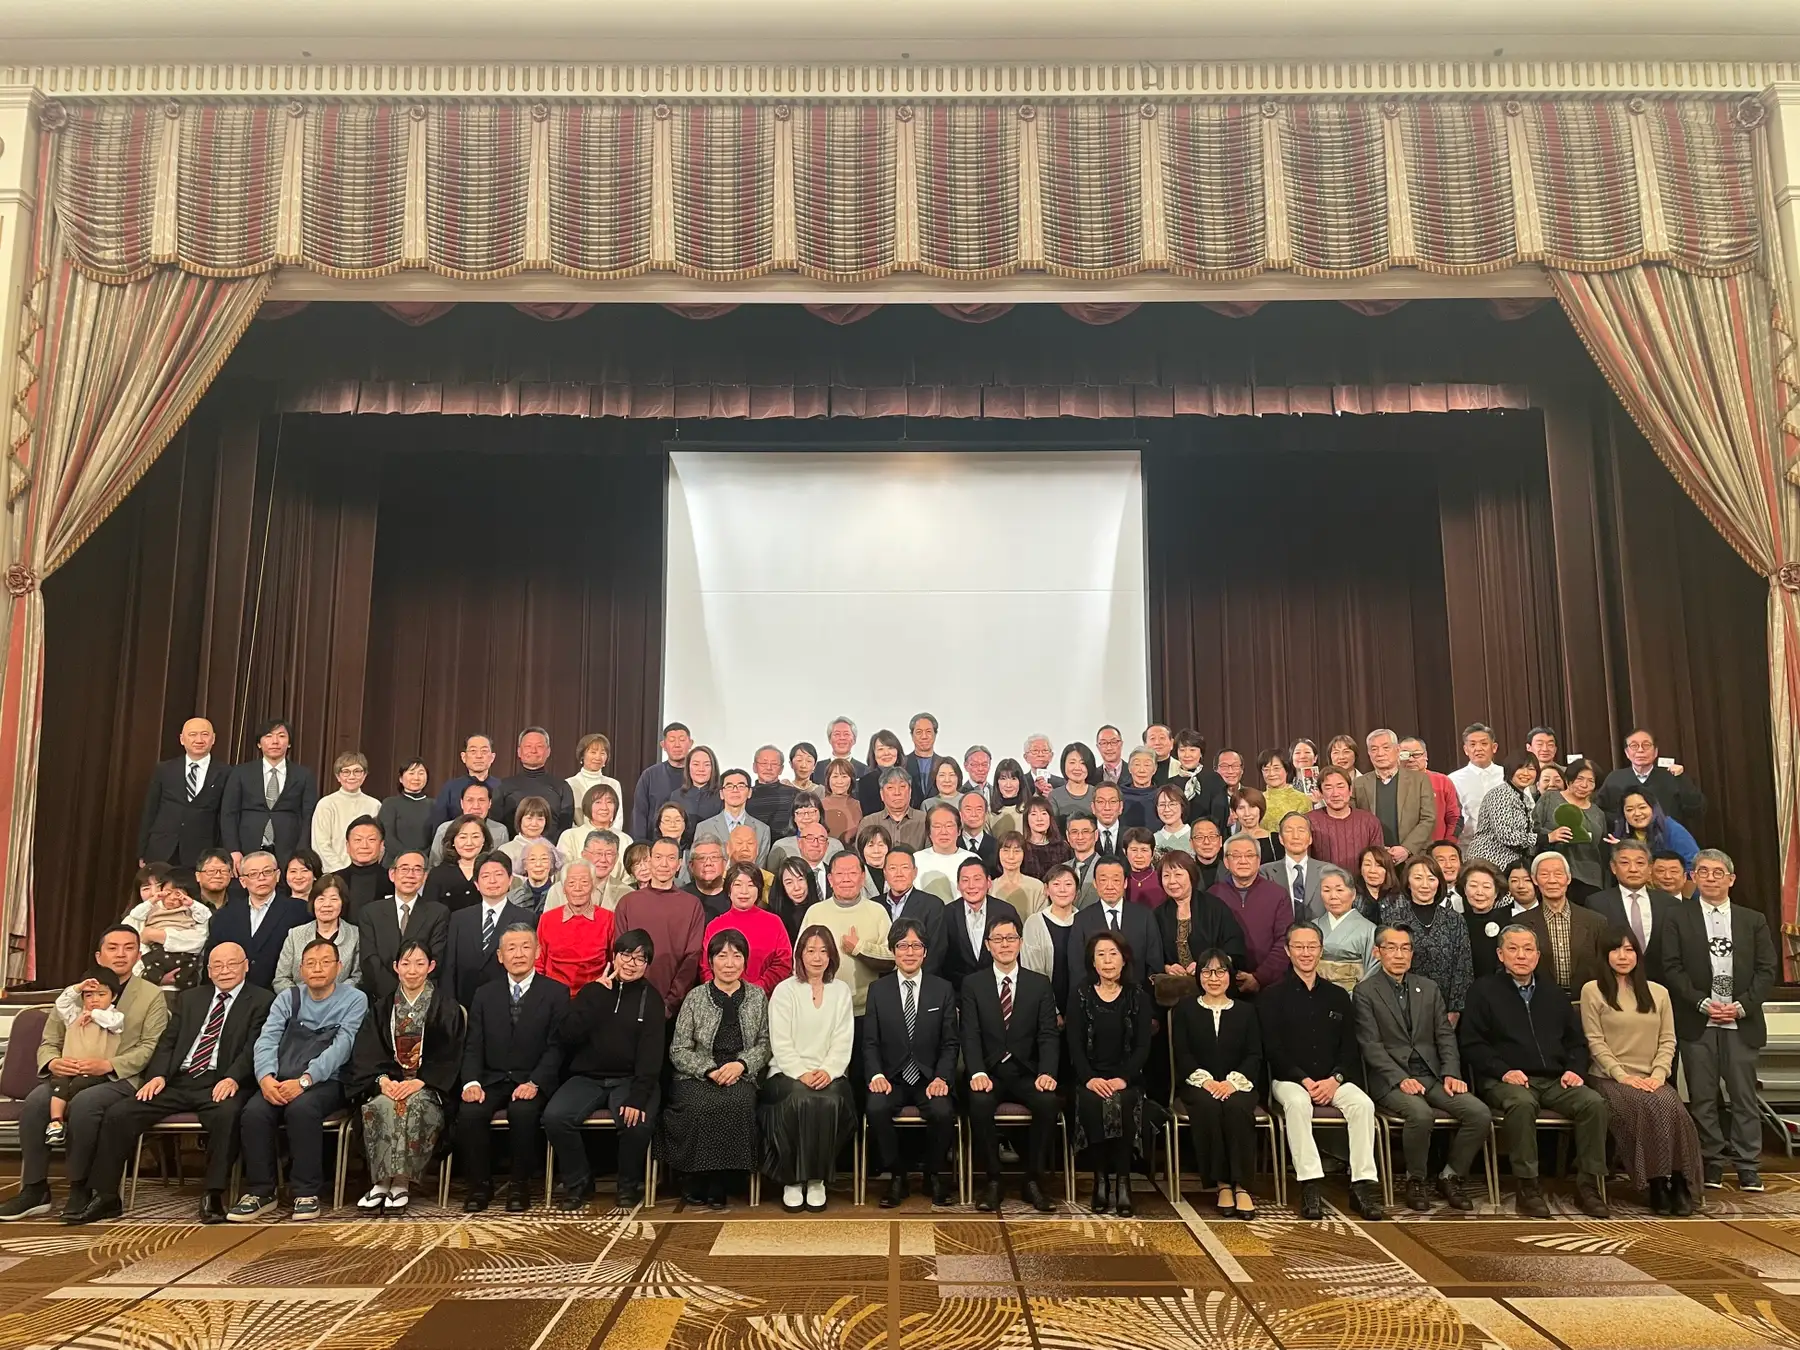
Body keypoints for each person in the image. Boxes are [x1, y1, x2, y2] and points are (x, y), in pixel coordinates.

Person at [72, 943, 274, 1225]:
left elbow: (255, 1046)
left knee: (227, 1114)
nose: (224, 971)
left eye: (232, 964)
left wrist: (233, 1077)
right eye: (217, 965)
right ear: (208, 970)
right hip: (179, 1079)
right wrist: (158, 1075)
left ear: (246, 966)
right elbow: (168, 1041)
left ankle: (213, 1194)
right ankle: (106, 1196)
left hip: (222, 1080)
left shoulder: (263, 1000)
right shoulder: (191, 998)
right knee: (120, 1113)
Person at [1458, 925, 1610, 1219]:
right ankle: (1527, 1186)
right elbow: (1472, 1044)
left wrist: (1575, 1070)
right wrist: (1504, 1071)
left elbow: (1577, 1042)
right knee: (1522, 1103)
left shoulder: (1553, 994)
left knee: (1593, 1103)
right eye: (1513, 949)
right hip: (1504, 1079)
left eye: (1528, 949)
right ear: (1500, 954)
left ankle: (1588, 1185)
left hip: (1555, 1079)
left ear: (1538, 956)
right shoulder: (1483, 991)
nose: (1521, 956)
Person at [1661, 848, 1777, 1193]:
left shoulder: (1752, 919)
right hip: (1698, 1020)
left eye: (1717, 872)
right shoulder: (1677, 917)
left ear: (1731, 879)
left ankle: (1747, 1165)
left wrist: (1742, 1006)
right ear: (1693, 877)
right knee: (1702, 1097)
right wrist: (1700, 1003)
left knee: (1743, 1097)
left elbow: (1766, 969)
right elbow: (1671, 967)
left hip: (1741, 1021)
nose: (1710, 878)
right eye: (1703, 871)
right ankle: (1710, 1160)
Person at [229, 937, 369, 1222]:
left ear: (339, 966)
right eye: (310, 963)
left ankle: (306, 1192)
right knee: (254, 1112)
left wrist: (306, 1080)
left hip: (329, 1081)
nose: (317, 968)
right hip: (281, 1078)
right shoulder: (287, 998)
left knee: (302, 1109)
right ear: (301, 969)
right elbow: (266, 1039)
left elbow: (342, 1047)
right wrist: (265, 1078)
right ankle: (261, 1192)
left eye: (325, 962)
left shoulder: (355, 999)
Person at [1353, 924, 1490, 1212]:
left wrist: (1451, 1072)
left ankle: (1450, 1176)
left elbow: (1445, 1035)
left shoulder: (1428, 988)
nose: (1399, 955)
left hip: (1431, 1075)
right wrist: (1400, 1078)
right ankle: (1415, 1180)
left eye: (1405, 948)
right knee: (1420, 1114)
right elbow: (1370, 1045)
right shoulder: (1365, 991)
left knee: (1478, 1113)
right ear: (1377, 952)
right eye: (1391, 948)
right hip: (1390, 1078)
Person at [1260, 922, 1384, 1220]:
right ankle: (1310, 1183)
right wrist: (1303, 1079)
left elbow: (1350, 1047)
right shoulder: (1271, 996)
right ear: (1288, 951)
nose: (1306, 953)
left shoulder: (1338, 996)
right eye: (1299, 947)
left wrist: (1335, 1079)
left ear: (1320, 950)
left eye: (1312, 946)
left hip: (1333, 1079)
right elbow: (1272, 1048)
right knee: (1297, 1103)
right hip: (1289, 1079)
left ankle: (1361, 1185)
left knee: (1363, 1104)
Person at [1580, 927, 1704, 1215]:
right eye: (1615, 950)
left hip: (1652, 1077)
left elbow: (1668, 1039)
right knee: (1646, 1107)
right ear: (1604, 955)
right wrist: (1622, 1076)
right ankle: (1656, 1183)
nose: (1623, 956)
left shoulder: (1658, 992)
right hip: (1609, 1078)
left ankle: (1680, 1182)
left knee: (1674, 1108)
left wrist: (1659, 1075)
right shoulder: (1592, 990)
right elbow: (1594, 1041)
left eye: (1629, 949)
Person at [547, 928, 666, 1209]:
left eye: (640, 958)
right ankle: (579, 1183)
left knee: (637, 1122)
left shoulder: (652, 999)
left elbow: (651, 1055)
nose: (631, 963)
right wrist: (598, 997)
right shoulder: (593, 991)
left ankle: (627, 1185)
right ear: (614, 957)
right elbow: (566, 1034)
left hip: (630, 1079)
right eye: (626, 955)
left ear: (647, 965)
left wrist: (638, 1096)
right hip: (587, 1077)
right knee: (555, 1117)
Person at [457, 924, 567, 1212]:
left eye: (525, 947)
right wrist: (471, 1083)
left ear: (538, 952)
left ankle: (520, 1186)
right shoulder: (484, 994)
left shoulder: (556, 992)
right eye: (511, 948)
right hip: (492, 1079)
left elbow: (557, 1047)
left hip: (532, 1079)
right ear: (500, 956)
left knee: (523, 1112)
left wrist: (535, 1082)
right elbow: (473, 1045)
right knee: (470, 1112)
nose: (519, 954)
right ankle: (480, 1186)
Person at [660, 928, 771, 1211]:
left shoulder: (757, 997)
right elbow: (679, 1049)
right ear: (710, 961)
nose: (729, 963)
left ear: (745, 961)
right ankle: (696, 1176)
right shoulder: (695, 997)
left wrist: (741, 1065)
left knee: (739, 1103)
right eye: (722, 956)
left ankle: (723, 1181)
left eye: (736, 956)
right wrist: (709, 1069)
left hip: (740, 1072)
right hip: (698, 1074)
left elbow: (765, 1044)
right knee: (700, 1105)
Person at [348, 940, 463, 1212]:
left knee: (412, 1106)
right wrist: (382, 1081)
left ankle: (401, 1181)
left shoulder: (446, 1007)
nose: (412, 970)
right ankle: (380, 1182)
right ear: (395, 967)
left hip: (427, 1086)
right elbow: (367, 1052)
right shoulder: (382, 1008)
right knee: (379, 1105)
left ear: (431, 966)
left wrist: (421, 1081)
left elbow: (451, 1054)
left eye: (420, 963)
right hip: (390, 1083)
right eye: (406, 964)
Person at [960, 915, 1060, 1213]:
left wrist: (1047, 1072)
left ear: (1020, 942)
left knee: (1048, 1102)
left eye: (1011, 938)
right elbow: (970, 1033)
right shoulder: (973, 984)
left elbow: (1048, 1034)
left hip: (1027, 1072)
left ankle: (1033, 1180)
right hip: (989, 1072)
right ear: (988, 945)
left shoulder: (1039, 984)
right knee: (978, 1102)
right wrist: (977, 1071)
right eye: (998, 939)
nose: (1005, 944)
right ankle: (993, 1180)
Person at [863, 917, 959, 1207]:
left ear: (925, 952)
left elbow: (950, 1043)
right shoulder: (878, 990)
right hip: (891, 1078)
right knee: (875, 1107)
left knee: (943, 1111)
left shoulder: (942, 989)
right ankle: (897, 1176)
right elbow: (870, 1042)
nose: (909, 952)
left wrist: (942, 1077)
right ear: (893, 951)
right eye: (903, 946)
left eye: (916, 946)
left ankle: (933, 1174)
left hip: (929, 1079)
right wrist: (876, 1075)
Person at [763, 926, 858, 1212]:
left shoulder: (841, 991)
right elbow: (780, 1041)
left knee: (829, 1101)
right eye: (811, 950)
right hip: (786, 1073)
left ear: (832, 956)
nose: (817, 958)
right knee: (800, 1098)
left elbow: (843, 1039)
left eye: (824, 951)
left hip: (831, 1073)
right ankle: (792, 1180)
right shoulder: (785, 991)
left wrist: (828, 1070)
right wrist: (801, 1072)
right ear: (800, 954)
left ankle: (816, 1180)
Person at [1067, 931, 1155, 1216]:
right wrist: (1089, 1078)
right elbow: (1074, 1044)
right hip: (1090, 1077)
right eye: (1101, 955)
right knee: (1093, 1102)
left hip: (1126, 1078)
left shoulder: (1138, 996)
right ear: (1092, 962)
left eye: (1113, 954)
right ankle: (1100, 1179)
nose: (1107, 961)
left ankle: (1123, 1181)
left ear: (1124, 959)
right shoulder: (1080, 994)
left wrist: (1123, 1078)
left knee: (1123, 1101)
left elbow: (1143, 1046)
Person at [1172, 948, 1262, 1219]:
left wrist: (1232, 1083)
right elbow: (1182, 1053)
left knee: (1236, 1108)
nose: (1214, 978)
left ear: (1230, 976)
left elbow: (1254, 1054)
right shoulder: (1185, 1009)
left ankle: (1241, 1186)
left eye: (1220, 971)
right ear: (1199, 976)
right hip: (1198, 1084)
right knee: (1209, 1107)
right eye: (1207, 972)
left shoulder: (1246, 1011)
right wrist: (1207, 1082)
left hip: (1238, 1084)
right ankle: (1222, 1184)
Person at [612, 838, 707, 1020]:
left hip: (674, 1006)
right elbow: (620, 953)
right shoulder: (628, 902)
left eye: (671, 858)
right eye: (658, 857)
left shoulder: (692, 905)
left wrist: (671, 1002)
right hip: (630, 1000)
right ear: (649, 861)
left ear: (679, 864)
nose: (664, 864)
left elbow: (692, 957)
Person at [1379, 853, 1473, 1018]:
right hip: (1403, 1007)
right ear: (1408, 883)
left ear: (1439, 883)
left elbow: (1463, 967)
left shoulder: (1454, 919)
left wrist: (1455, 1011)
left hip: (1445, 1008)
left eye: (1431, 879)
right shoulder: (1393, 919)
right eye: (1418, 878)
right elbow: (1387, 965)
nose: (1425, 885)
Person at [220, 718, 319, 869]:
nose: (275, 741)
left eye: (281, 736)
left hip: (289, 851)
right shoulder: (240, 772)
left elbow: (308, 816)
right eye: (268, 736)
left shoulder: (304, 775)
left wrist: (301, 852)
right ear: (259, 743)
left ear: (289, 743)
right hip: (247, 848)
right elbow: (229, 813)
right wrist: (233, 849)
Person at [1153, 852, 1247, 1009]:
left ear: (1191, 876)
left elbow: (1235, 947)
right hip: (1173, 994)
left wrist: (1206, 965)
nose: (1172, 881)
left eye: (1178, 875)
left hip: (1213, 986)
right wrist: (1166, 967)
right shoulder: (1158, 914)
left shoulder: (1214, 907)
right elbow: (1153, 953)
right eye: (1166, 876)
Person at [44, 966, 126, 1145]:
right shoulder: (74, 1015)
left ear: (113, 996)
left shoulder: (115, 1017)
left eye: (101, 994)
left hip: (95, 1071)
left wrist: (93, 1014)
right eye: (89, 995)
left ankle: (69, 1122)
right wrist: (78, 988)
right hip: (71, 1067)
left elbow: (111, 1022)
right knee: (59, 1085)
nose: (95, 999)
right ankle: (56, 1122)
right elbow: (61, 1003)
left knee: (79, 1087)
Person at [204, 850, 309, 991]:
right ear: (242, 881)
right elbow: (211, 962)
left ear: (278, 875)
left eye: (267, 872)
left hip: (281, 994)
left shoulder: (300, 911)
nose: (261, 878)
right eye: (253, 874)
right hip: (235, 994)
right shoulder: (223, 916)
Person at [441, 853, 536, 1008]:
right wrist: (450, 1006)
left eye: (498, 874)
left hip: (509, 1003)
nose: (492, 881)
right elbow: (449, 967)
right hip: (465, 1003)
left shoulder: (526, 918)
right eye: (485, 876)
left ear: (510, 880)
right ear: (476, 884)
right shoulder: (459, 919)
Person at [357, 852, 449, 1000]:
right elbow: (369, 960)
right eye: (404, 869)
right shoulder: (370, 912)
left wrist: (412, 992)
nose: (410, 875)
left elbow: (436, 958)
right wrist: (395, 995)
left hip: (422, 996)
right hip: (381, 997)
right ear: (392, 874)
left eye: (417, 869)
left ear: (425, 876)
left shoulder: (438, 912)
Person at [137, 716, 226, 870]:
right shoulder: (164, 769)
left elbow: (225, 818)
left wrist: (220, 855)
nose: (199, 740)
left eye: (204, 734)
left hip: (201, 853)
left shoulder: (226, 772)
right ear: (182, 739)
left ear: (213, 739)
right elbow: (150, 811)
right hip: (161, 849)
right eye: (192, 734)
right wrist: (142, 851)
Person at [1208, 835, 1290, 996]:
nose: (1243, 861)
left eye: (1249, 855)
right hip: (1221, 985)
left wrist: (1259, 977)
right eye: (1236, 856)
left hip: (1270, 987)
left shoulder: (1278, 894)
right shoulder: (1213, 895)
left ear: (1258, 861)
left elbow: (1285, 941)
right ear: (1226, 862)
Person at [1516, 852, 1609, 995]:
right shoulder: (1521, 923)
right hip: (1540, 999)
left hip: (1587, 999)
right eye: (1544, 875)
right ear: (1534, 879)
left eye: (1558, 874)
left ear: (1569, 878)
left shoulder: (1595, 922)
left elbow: (1606, 967)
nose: (1552, 880)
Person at [1586, 839, 1681, 977]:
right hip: (1614, 981)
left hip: (1662, 982)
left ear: (1650, 868)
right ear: (1613, 867)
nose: (1633, 869)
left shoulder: (1669, 904)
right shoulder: (1597, 903)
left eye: (1640, 863)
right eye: (1625, 863)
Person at [701, 862, 793, 994]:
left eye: (751, 885)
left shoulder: (774, 922)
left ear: (759, 889)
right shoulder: (715, 926)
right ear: (728, 889)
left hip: (764, 997)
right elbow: (705, 966)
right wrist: (720, 992)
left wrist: (755, 991)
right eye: (738, 884)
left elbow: (783, 963)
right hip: (720, 997)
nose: (744, 891)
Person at [1071, 858, 1164, 987]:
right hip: (1095, 995)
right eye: (1103, 880)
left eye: (1116, 880)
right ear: (1095, 884)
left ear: (1125, 883)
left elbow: (1155, 964)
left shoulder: (1144, 916)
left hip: (1139, 994)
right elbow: (1077, 968)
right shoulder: (1082, 919)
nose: (1110, 886)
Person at [940, 857, 1023, 993]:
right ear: (958, 885)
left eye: (977, 879)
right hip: (958, 993)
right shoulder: (946, 913)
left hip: (998, 991)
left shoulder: (1006, 911)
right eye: (965, 880)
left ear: (989, 882)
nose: (971, 886)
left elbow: (1018, 953)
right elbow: (941, 958)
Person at [1352, 729, 1434, 864]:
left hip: (1413, 858)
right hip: (1375, 859)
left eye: (1386, 748)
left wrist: (1406, 848)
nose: (1380, 753)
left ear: (1397, 750)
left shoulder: (1419, 780)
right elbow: (1354, 821)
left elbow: (1428, 818)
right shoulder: (1359, 783)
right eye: (1374, 749)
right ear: (1369, 753)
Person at [123, 866, 212, 990]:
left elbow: (198, 941)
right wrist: (152, 902)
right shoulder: (148, 911)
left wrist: (157, 935)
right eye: (146, 888)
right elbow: (131, 947)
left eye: (177, 893)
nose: (153, 892)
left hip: (183, 969)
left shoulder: (190, 911)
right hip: (147, 978)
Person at [1598, 727, 1704, 829]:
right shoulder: (1615, 779)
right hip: (1628, 838)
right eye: (1634, 746)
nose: (1640, 750)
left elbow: (1698, 808)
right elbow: (1600, 812)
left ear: (1655, 752)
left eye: (1646, 745)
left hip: (1667, 837)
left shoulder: (1672, 776)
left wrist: (1681, 778)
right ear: (1627, 753)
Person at [1533, 757, 1607, 902]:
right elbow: (1532, 830)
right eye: (1580, 779)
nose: (1584, 785)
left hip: (1589, 878)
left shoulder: (1598, 813)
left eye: (1590, 781)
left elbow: (1601, 850)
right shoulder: (1550, 799)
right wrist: (1551, 835)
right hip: (1552, 874)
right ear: (1569, 780)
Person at [273, 874, 362, 992]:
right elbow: (281, 979)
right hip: (299, 1001)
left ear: (343, 903)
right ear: (313, 902)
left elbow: (357, 978)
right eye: (321, 899)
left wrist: (333, 996)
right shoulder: (295, 934)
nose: (327, 904)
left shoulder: (355, 935)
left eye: (334, 899)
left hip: (341, 1000)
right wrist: (302, 998)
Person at [536, 860, 615, 990]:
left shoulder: (608, 919)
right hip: (554, 993)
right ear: (563, 888)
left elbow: (614, 961)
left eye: (584, 882)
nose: (578, 888)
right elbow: (538, 962)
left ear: (593, 886)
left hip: (594, 993)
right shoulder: (547, 919)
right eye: (571, 883)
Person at [1021, 864, 1082, 1017]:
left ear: (1076, 892)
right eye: (1056, 884)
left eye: (1068, 884)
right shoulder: (1034, 923)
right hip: (1045, 1008)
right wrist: (1052, 1011)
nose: (1062, 890)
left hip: (1081, 1008)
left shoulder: (1086, 921)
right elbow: (1032, 973)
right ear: (1046, 890)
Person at [1462, 755, 1542, 872]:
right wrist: (1544, 838)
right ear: (1510, 770)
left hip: (1509, 863)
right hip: (1488, 861)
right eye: (1520, 768)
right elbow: (1506, 835)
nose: (1526, 773)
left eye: (1531, 769)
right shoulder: (1500, 794)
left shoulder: (1523, 797)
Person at [311, 752, 382, 872]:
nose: (352, 776)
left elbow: (379, 844)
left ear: (364, 775)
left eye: (357, 771)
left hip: (368, 871)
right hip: (334, 872)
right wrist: (341, 870)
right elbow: (320, 844)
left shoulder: (375, 805)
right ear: (338, 776)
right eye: (346, 772)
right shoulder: (326, 804)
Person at [1306, 768, 1384, 872]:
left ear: (1350, 790)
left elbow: (1378, 862)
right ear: (1321, 793)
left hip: (1362, 882)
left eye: (1340, 787)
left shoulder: (1369, 821)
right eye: (1328, 788)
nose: (1335, 794)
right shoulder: (1309, 821)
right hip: (1322, 881)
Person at [1313, 865, 1378, 991]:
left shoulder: (1369, 930)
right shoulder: (1313, 927)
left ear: (1353, 894)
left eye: (1339, 890)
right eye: (1326, 890)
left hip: (1354, 996)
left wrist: (1357, 996)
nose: (1333, 896)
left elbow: (1373, 971)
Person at [1608, 789, 1700, 871]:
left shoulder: (1672, 829)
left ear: (1654, 808)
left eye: (1642, 807)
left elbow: (1693, 865)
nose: (1637, 813)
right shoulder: (1621, 835)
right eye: (1629, 810)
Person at [430, 732, 505, 832]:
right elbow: (439, 825)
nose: (479, 756)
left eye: (484, 751)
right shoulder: (450, 788)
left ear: (492, 757)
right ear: (463, 757)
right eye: (473, 751)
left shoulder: (502, 787)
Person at [631, 722, 694, 839]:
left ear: (690, 743)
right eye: (672, 740)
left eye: (682, 740)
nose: (677, 745)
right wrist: (640, 843)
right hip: (655, 843)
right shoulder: (650, 775)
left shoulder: (698, 775)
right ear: (663, 745)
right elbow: (640, 812)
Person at [1260, 811, 1326, 922]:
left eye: (1301, 830)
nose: (1295, 836)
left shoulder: (1327, 872)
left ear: (1310, 838)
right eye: (1289, 831)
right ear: (1281, 839)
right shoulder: (1265, 873)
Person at [1398, 737, 1463, 842]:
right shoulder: (1391, 783)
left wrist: (1448, 844)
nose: (1410, 759)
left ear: (1425, 755)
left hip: (1437, 847)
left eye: (1416, 755)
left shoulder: (1443, 782)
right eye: (1405, 755)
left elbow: (1455, 818)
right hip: (1401, 848)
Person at [1457, 860, 1512, 982]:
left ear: (1496, 892)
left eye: (1486, 887)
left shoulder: (1509, 922)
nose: (1479, 892)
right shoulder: (1456, 922)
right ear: (1464, 889)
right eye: (1473, 886)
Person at [429, 785, 509, 866]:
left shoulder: (500, 831)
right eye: (470, 800)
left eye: (481, 800)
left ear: (490, 803)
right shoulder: (444, 829)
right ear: (462, 803)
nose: (476, 806)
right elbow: (434, 864)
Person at [912, 804, 979, 901]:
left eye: (949, 826)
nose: (943, 832)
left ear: (959, 830)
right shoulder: (916, 859)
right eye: (937, 826)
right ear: (929, 832)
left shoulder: (972, 859)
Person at [558, 783, 630, 869]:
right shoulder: (570, 836)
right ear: (588, 805)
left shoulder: (625, 840)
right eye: (598, 802)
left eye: (609, 802)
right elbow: (561, 870)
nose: (604, 807)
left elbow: (629, 874)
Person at [1448, 723, 1504, 835]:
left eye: (1484, 744)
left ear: (1494, 747)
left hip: (1506, 841)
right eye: (1472, 744)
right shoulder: (1454, 779)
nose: (1478, 749)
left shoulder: (1508, 775)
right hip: (1469, 841)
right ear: (1466, 750)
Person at [377, 759, 435, 866]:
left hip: (423, 864)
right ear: (401, 778)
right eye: (411, 773)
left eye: (421, 773)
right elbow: (389, 837)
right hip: (393, 864)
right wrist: (408, 859)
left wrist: (419, 858)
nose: (416, 778)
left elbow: (436, 840)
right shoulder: (390, 803)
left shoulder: (435, 805)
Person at [860, 767, 928, 851]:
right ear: (881, 794)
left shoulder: (925, 820)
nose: (897, 793)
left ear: (910, 792)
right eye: (890, 788)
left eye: (902, 786)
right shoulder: (869, 822)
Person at [567, 732, 624, 824]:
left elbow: (618, 818)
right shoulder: (570, 784)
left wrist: (610, 832)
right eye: (593, 752)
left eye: (602, 753)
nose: (598, 757)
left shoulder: (613, 784)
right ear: (582, 755)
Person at [748, 744, 799, 840]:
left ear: (781, 769)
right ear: (754, 767)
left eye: (774, 764)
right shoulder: (745, 795)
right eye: (764, 763)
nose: (769, 768)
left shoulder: (794, 795)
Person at [667, 744, 721, 836]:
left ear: (713, 768)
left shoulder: (722, 795)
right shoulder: (676, 796)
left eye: (707, 765)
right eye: (696, 764)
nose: (701, 769)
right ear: (688, 767)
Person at [992, 831, 1046, 918]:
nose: (1011, 856)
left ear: (1024, 854)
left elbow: (1041, 921)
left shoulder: (1037, 887)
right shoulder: (990, 887)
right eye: (1005, 850)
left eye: (1017, 851)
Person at [901, 712, 950, 807]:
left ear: (935, 734)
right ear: (912, 735)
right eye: (919, 732)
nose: (924, 736)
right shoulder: (902, 763)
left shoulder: (945, 764)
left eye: (928, 732)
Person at [1255, 750, 1311, 829]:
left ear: (1286, 769)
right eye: (1266, 769)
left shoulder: (1302, 799)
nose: (1271, 774)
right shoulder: (1257, 800)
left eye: (1276, 768)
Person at [856, 729, 906, 814]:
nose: (886, 753)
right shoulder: (865, 783)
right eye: (880, 749)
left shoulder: (908, 778)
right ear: (873, 753)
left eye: (890, 748)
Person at [955, 791, 1002, 878]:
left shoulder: (997, 846)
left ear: (986, 814)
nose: (974, 814)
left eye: (979, 809)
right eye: (968, 809)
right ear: (960, 814)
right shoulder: (952, 844)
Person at [1020, 799, 1070, 880]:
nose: (1039, 819)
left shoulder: (1062, 848)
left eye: (1043, 813)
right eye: (1033, 814)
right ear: (1026, 819)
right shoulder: (1021, 848)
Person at [1226, 787, 1276, 865]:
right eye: (1241, 808)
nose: (1247, 813)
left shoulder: (1275, 840)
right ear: (1234, 812)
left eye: (1252, 807)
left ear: (1260, 809)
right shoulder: (1230, 843)